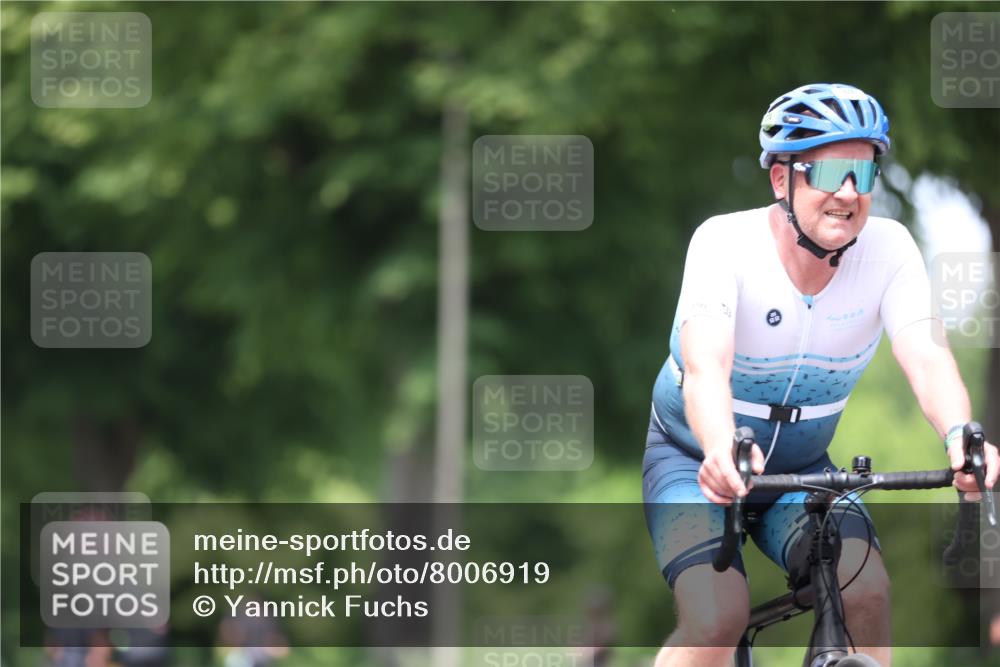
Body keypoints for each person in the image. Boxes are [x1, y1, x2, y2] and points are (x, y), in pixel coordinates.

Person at [642, 82, 999, 667]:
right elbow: (707, 368)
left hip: (804, 470)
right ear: (782, 179)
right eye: (831, 172)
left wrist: (961, 435)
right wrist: (719, 449)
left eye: (864, 171)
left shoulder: (891, 250)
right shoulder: (723, 243)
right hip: (693, 458)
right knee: (716, 619)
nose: (850, 193)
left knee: (867, 590)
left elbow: (928, 356)